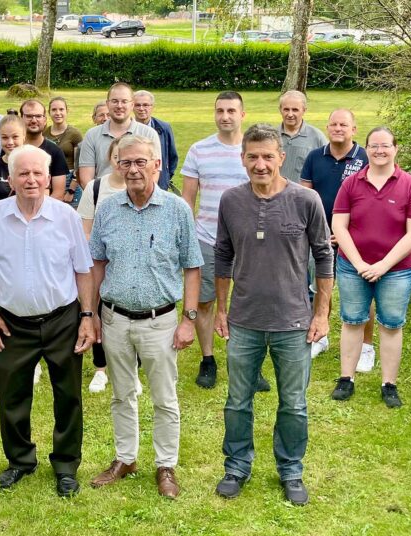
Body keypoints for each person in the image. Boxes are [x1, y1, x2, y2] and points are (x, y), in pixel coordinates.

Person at [213, 123, 333, 506]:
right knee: (237, 400)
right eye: (253, 157)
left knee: (293, 403)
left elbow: (324, 256)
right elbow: (222, 255)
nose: (260, 164)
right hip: (244, 320)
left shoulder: (305, 200)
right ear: (242, 158)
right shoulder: (231, 201)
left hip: (293, 322)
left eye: (268, 156)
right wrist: (221, 309)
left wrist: (321, 314)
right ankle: (237, 466)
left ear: (281, 157)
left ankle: (291, 470)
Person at [0, 144, 96, 498]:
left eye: (37, 173)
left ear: (48, 178)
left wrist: (87, 316)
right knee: (12, 395)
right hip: (12, 323)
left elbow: (83, 269)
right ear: (11, 179)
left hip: (62, 319)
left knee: (68, 395)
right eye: (23, 173)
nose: (31, 179)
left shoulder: (66, 216)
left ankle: (66, 465)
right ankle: (20, 461)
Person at [88, 135, 202, 498]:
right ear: (117, 167)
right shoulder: (108, 209)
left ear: (157, 165)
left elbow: (193, 267)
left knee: (164, 398)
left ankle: (165, 465)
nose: (134, 169)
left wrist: (189, 319)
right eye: (126, 163)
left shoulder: (177, 209)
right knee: (122, 394)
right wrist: (91, 314)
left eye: (141, 162)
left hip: (160, 321)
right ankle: (126, 458)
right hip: (115, 318)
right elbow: (97, 263)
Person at [329, 127, 411, 408]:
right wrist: (359, 263)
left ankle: (389, 384)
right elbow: (339, 225)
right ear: (367, 149)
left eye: (385, 146)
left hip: (398, 270)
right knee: (352, 320)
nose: (379, 151)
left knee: (391, 324)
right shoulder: (351, 184)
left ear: (396, 149)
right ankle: (346, 378)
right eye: (373, 146)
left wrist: (383, 265)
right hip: (353, 267)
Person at [181, 91, 269, 391]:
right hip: (207, 238)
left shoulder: (253, 153)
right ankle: (208, 359)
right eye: (220, 110)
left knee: (251, 303)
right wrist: (188, 238)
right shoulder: (199, 150)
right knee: (204, 301)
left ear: (242, 114)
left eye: (231, 110)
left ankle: (251, 363)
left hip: (250, 241)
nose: (225, 116)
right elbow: (187, 199)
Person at [300, 109, 374, 367]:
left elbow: (372, 201)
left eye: (344, 124)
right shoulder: (314, 157)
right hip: (321, 237)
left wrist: (345, 232)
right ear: (327, 127)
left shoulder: (365, 158)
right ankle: (320, 336)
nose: (338, 128)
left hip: (357, 240)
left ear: (354, 129)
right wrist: (318, 230)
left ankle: (366, 346)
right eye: (333, 124)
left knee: (362, 292)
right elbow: (306, 197)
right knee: (321, 288)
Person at [0, 115, 41, 386]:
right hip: (3, 241)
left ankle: (34, 360)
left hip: (33, 239)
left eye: (15, 136)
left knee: (32, 297)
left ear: (24, 136)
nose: (10, 142)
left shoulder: (35, 163)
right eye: (5, 137)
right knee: (1, 299)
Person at [76, 137, 131, 394]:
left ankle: (130, 369)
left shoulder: (139, 187)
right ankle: (100, 369)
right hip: (99, 262)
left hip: (129, 263)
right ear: (110, 158)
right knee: (96, 311)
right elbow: (85, 229)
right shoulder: (96, 188)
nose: (122, 163)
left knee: (129, 315)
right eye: (118, 157)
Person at [77, 83, 161, 189]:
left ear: (132, 104)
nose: (119, 106)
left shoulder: (148, 134)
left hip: (138, 196)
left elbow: (153, 174)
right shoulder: (92, 135)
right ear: (108, 104)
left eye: (124, 101)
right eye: (115, 101)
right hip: (102, 196)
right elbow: (86, 178)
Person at [18, 99, 68, 199]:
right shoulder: (13, 150)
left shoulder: (55, 152)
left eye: (38, 116)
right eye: (29, 116)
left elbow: (58, 193)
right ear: (21, 119)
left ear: (45, 120)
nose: (34, 120)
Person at [132, 90, 179, 193]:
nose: (141, 108)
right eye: (137, 105)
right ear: (132, 107)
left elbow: (172, 156)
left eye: (145, 105)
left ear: (152, 107)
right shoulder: (127, 128)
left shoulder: (164, 127)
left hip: (160, 184)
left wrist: (166, 177)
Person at [278, 90, 327, 184]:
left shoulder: (317, 137)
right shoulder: (271, 136)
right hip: (275, 192)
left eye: (295, 110)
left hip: (302, 192)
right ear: (280, 109)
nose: (290, 114)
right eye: (286, 109)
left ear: (304, 110)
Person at [44, 97, 84, 207]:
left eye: (61, 109)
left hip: (70, 181)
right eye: (54, 110)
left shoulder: (75, 134)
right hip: (50, 182)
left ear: (67, 111)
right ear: (49, 112)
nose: (58, 113)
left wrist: (71, 190)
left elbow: (79, 165)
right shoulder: (44, 133)